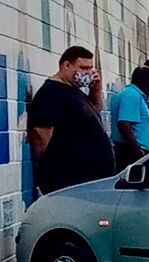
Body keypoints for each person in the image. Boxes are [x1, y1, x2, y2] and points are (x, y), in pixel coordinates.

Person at [28, 46, 115, 194]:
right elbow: (41, 134)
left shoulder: (74, 90)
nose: (87, 72)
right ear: (66, 65)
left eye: (90, 68)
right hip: (70, 181)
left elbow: (95, 110)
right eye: (83, 68)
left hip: (89, 181)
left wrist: (96, 90)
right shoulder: (52, 92)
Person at [110, 66, 149, 171]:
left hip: (137, 151)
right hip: (131, 152)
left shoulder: (137, 95)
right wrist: (138, 151)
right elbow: (124, 124)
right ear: (146, 81)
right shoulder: (131, 95)